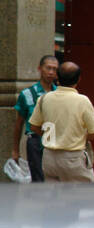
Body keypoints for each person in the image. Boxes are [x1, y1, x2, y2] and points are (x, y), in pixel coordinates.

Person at [26, 61, 94, 183]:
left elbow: (34, 126)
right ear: (78, 79)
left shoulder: (44, 98)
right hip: (73, 158)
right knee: (79, 197)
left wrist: (50, 136)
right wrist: (78, 137)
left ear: (57, 77)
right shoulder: (82, 101)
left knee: (53, 197)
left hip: (49, 157)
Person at [12, 53, 57, 182]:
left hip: (55, 140)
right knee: (38, 178)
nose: (51, 72)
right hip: (35, 141)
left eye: (54, 69)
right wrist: (15, 150)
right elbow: (19, 124)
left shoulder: (59, 94)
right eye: (48, 68)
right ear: (40, 68)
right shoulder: (27, 94)